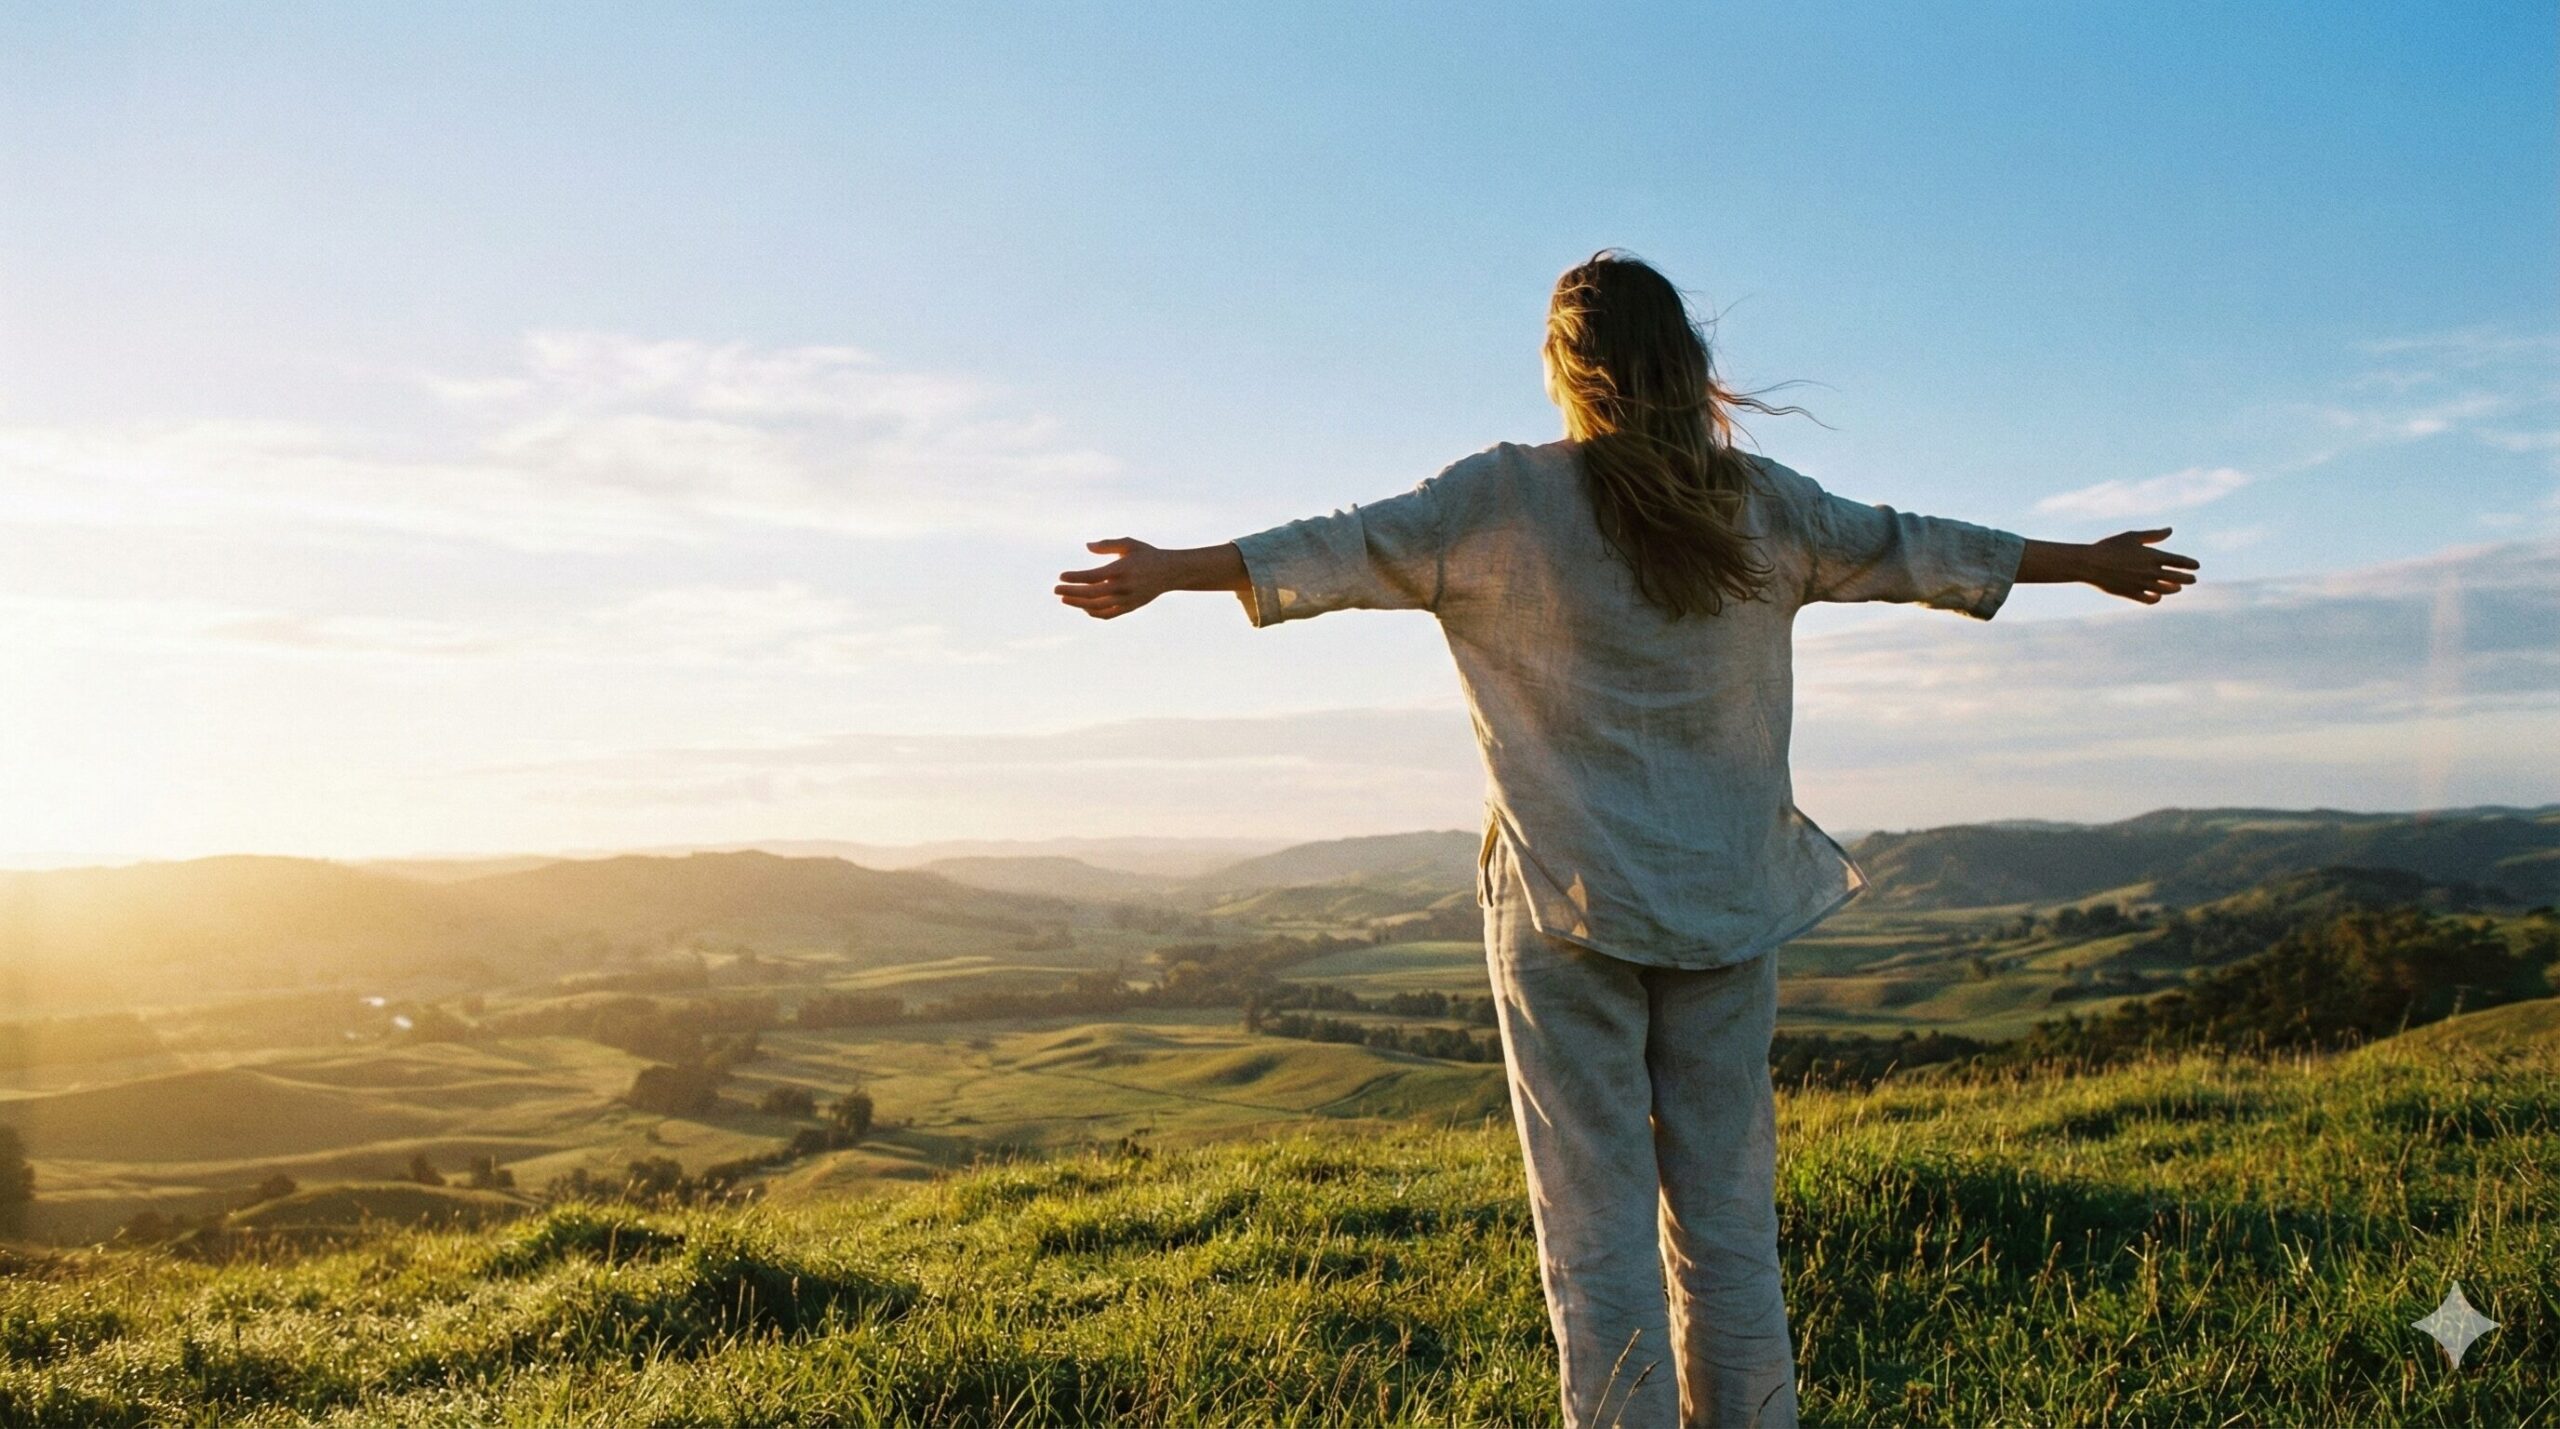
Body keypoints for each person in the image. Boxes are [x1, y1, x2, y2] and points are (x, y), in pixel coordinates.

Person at [1052, 250, 2197, 1428]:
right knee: (1729, 1225)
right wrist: (2086, 563)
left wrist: (1169, 572)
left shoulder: (1497, 498)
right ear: (1688, 363)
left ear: (1564, 368)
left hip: (1563, 906)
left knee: (1594, 1234)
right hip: (1728, 898)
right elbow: (1913, 542)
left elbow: (1337, 544)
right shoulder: (1760, 503)